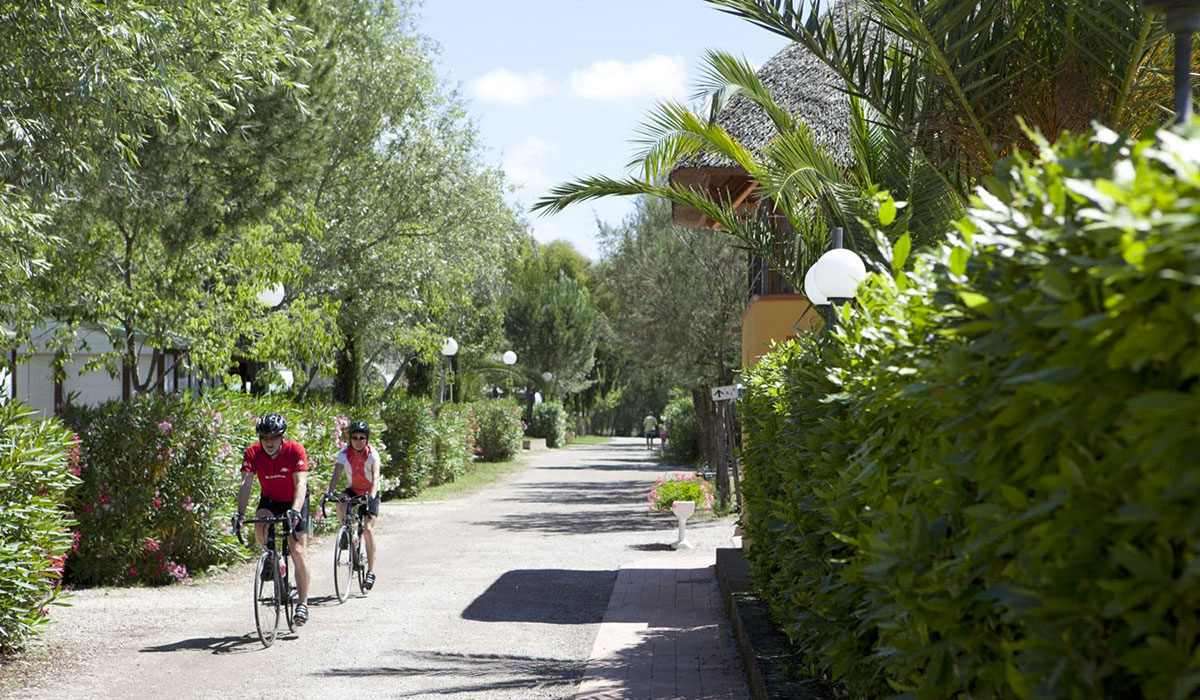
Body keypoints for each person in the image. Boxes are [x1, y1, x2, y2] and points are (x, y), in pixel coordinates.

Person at [234, 413, 312, 626]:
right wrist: (240, 513)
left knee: (297, 550)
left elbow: (300, 484)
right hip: (270, 499)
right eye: (264, 437)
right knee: (260, 524)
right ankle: (272, 559)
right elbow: (246, 485)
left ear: (282, 437)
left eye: (274, 437)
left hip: (295, 500)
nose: (269, 442)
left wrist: (295, 510)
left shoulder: (295, 450)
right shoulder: (252, 453)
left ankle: (302, 604)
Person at [325, 420, 381, 590]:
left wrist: (371, 497)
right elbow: (336, 475)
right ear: (350, 439)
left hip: (370, 491)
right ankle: (345, 531)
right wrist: (329, 493)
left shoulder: (372, 454)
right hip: (353, 489)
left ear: (367, 439)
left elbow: (376, 476)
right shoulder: (344, 453)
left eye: (362, 438)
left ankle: (371, 571)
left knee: (368, 529)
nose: (358, 441)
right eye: (355, 437)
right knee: (340, 500)